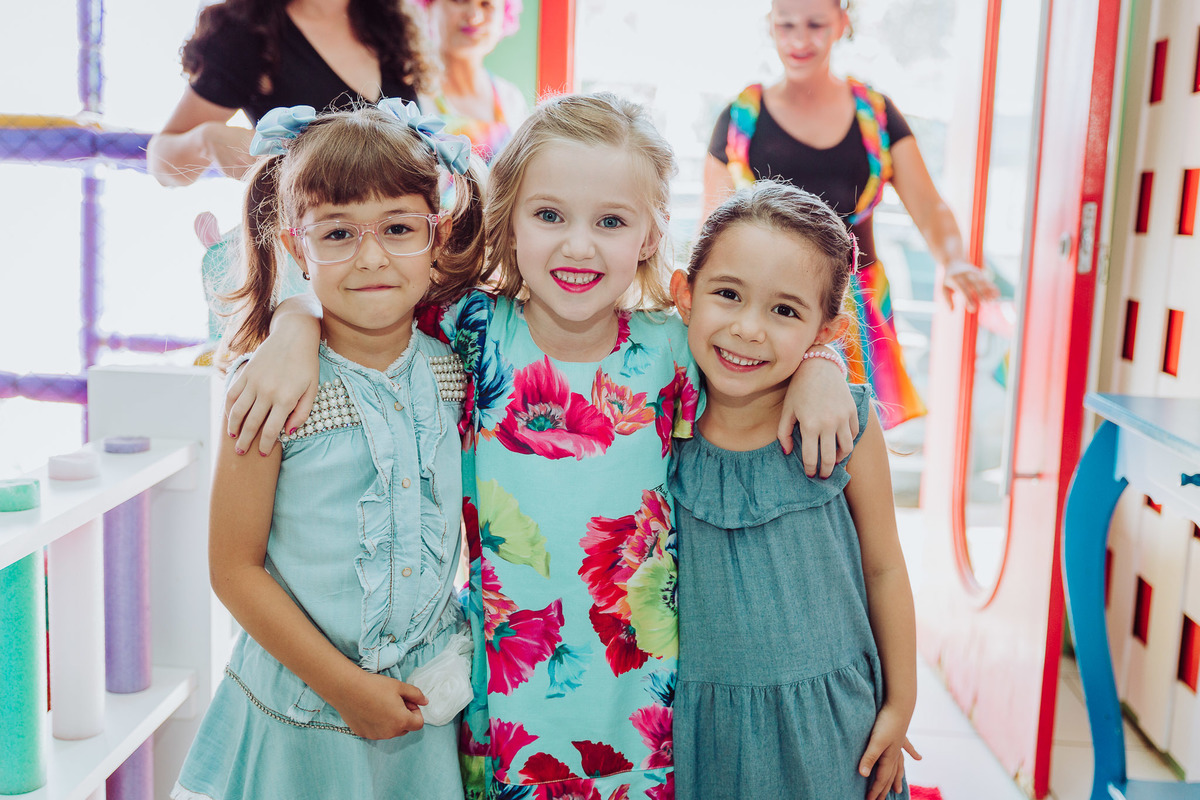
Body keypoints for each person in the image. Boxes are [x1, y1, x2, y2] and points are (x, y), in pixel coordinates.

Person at [220, 92, 860, 799]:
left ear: (650, 235)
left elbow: (768, 344)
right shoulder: (470, 330)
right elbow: (357, 291)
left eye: (610, 221)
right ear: (509, 222)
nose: (578, 245)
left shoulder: (676, 351)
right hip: (506, 704)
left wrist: (825, 369)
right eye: (549, 215)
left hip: (642, 704)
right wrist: (292, 322)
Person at [170, 100, 487, 800]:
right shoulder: (270, 389)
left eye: (399, 228)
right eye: (338, 233)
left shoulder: (462, 369)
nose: (371, 257)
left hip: (421, 713)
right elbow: (234, 568)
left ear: (437, 236)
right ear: (296, 246)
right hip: (299, 718)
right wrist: (345, 687)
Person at [669, 181, 919, 799]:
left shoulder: (846, 427)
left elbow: (885, 567)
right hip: (697, 731)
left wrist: (901, 702)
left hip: (832, 730)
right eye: (727, 294)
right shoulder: (652, 414)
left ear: (826, 329)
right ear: (683, 294)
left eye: (785, 311)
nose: (748, 329)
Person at [702, 0, 999, 429]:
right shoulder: (738, 119)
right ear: (770, 26)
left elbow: (930, 204)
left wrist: (953, 260)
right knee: (763, 432)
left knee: (850, 439)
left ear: (843, 23)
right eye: (786, 25)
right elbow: (713, 230)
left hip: (850, 315)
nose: (800, 39)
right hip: (764, 307)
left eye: (816, 24)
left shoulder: (875, 115)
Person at [147, 0, 430, 186]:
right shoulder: (249, 34)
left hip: (403, 242)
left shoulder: (390, 24)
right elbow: (161, 162)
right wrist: (206, 138)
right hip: (312, 252)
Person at [415, 0, 529, 162]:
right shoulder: (411, 95)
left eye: (486, 4)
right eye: (460, 1)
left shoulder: (511, 98)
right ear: (428, 6)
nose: (474, 17)